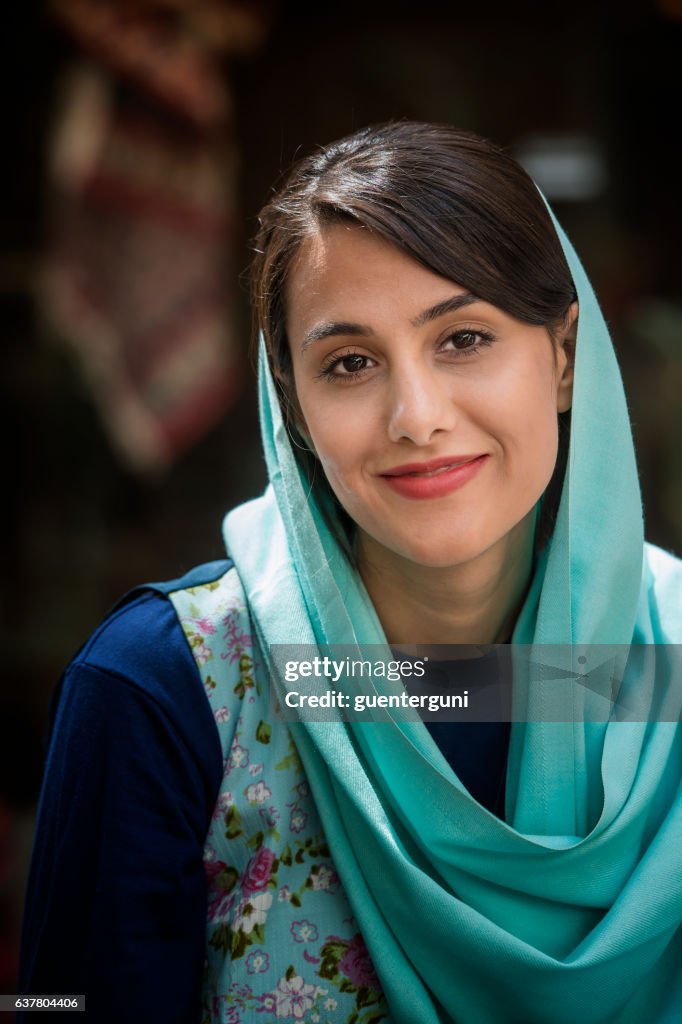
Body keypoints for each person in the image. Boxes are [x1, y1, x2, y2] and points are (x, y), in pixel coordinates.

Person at [18, 122, 682, 1024]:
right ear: (291, 403)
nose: (417, 415)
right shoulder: (167, 690)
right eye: (351, 363)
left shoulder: (672, 661)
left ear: (563, 357)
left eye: (464, 339)